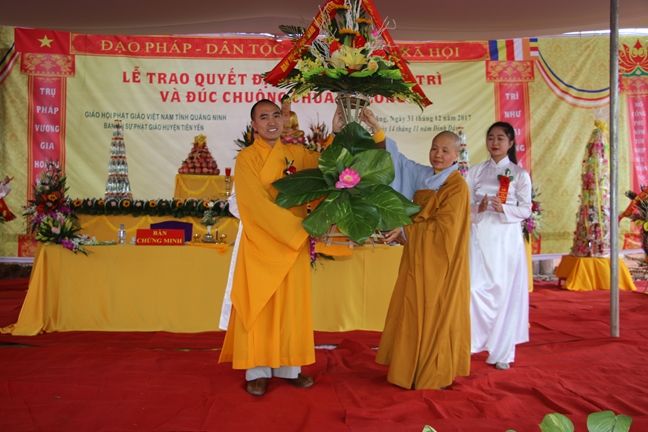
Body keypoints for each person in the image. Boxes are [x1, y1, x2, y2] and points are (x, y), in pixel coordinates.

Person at [218, 99, 343, 397]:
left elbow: (327, 167)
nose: (272, 121)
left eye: (276, 115)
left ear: (284, 120)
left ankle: (289, 368)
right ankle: (257, 370)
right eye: (264, 117)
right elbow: (253, 203)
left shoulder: (296, 154)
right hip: (261, 242)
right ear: (254, 125)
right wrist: (299, 229)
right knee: (259, 305)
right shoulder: (246, 158)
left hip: (291, 246)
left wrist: (338, 133)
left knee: (291, 306)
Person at [362, 110, 472, 390]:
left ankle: (431, 372)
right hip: (417, 258)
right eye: (434, 148)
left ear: (456, 155)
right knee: (411, 310)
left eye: (445, 150)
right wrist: (377, 130)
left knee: (433, 311)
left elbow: (444, 229)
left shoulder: (456, 187)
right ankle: (408, 368)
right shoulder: (425, 176)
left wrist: (406, 230)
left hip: (440, 264)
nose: (438, 154)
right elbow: (396, 162)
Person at [466, 121, 532, 370]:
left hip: (505, 238)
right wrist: (478, 208)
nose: (494, 142)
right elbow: (465, 205)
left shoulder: (520, 174)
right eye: (491, 137)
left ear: (511, 143)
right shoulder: (475, 172)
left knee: (505, 292)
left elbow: (526, 209)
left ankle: (502, 352)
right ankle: (470, 343)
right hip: (479, 234)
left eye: (500, 138)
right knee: (473, 288)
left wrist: (504, 209)